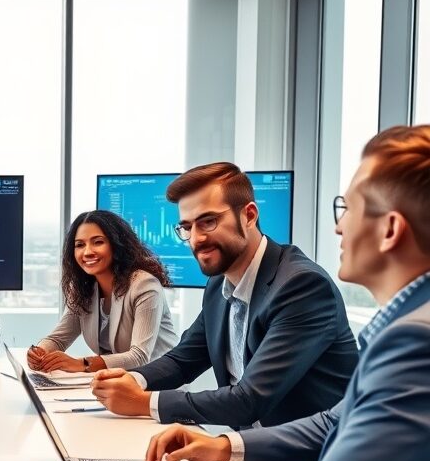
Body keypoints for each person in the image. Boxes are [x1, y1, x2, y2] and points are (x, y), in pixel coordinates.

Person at [115, 124, 430, 461]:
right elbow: (335, 420)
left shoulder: (413, 340)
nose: (337, 227)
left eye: (347, 209)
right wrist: (224, 447)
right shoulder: (405, 326)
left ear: (391, 229)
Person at [92, 162, 358, 429]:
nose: (196, 239)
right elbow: (183, 361)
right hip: (249, 446)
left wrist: (143, 402)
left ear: (249, 215)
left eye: (208, 222)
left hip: (304, 454)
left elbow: (249, 400)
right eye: (187, 227)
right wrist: (131, 380)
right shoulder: (219, 285)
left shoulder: (301, 286)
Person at [28, 210, 177, 373]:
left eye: (98, 242)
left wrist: (82, 364)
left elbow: (139, 356)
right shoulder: (82, 288)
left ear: (117, 244)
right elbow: (58, 339)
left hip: (159, 380)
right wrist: (40, 353)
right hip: (117, 378)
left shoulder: (144, 285)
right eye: (80, 245)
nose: (87, 252)